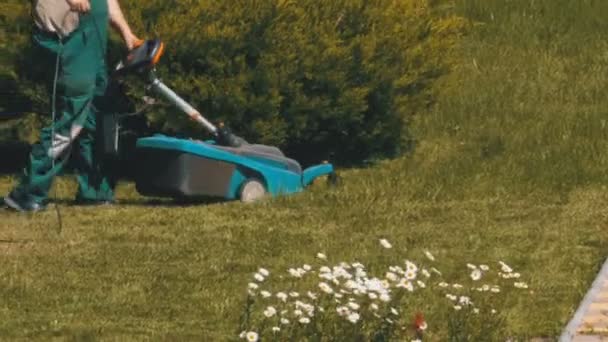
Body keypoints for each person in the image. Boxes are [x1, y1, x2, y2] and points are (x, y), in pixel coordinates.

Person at [3, 0, 140, 212]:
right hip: (69, 40)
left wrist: (126, 33)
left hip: (93, 43)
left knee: (98, 116)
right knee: (70, 120)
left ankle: (95, 191)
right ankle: (27, 194)